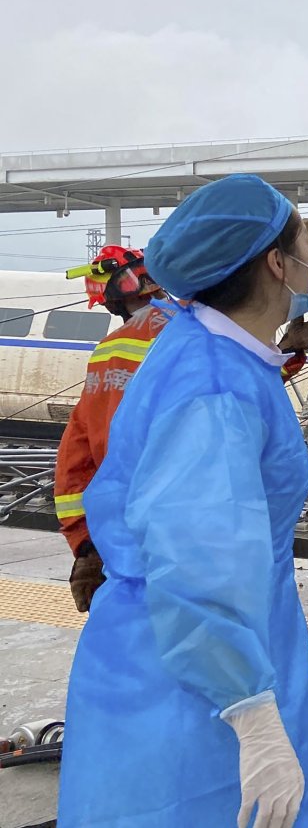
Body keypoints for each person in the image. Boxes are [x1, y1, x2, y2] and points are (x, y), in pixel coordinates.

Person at [59, 174, 308, 828]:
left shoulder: (205, 345)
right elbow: (196, 567)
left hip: (204, 651)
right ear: (277, 264)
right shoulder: (215, 391)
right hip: (196, 683)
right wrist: (252, 715)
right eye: (303, 241)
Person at [54, 246, 168, 612]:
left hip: (122, 525)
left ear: (111, 300)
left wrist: (85, 545)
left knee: (133, 633)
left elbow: (76, 451)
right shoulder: (195, 328)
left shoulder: (106, 350)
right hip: (186, 519)